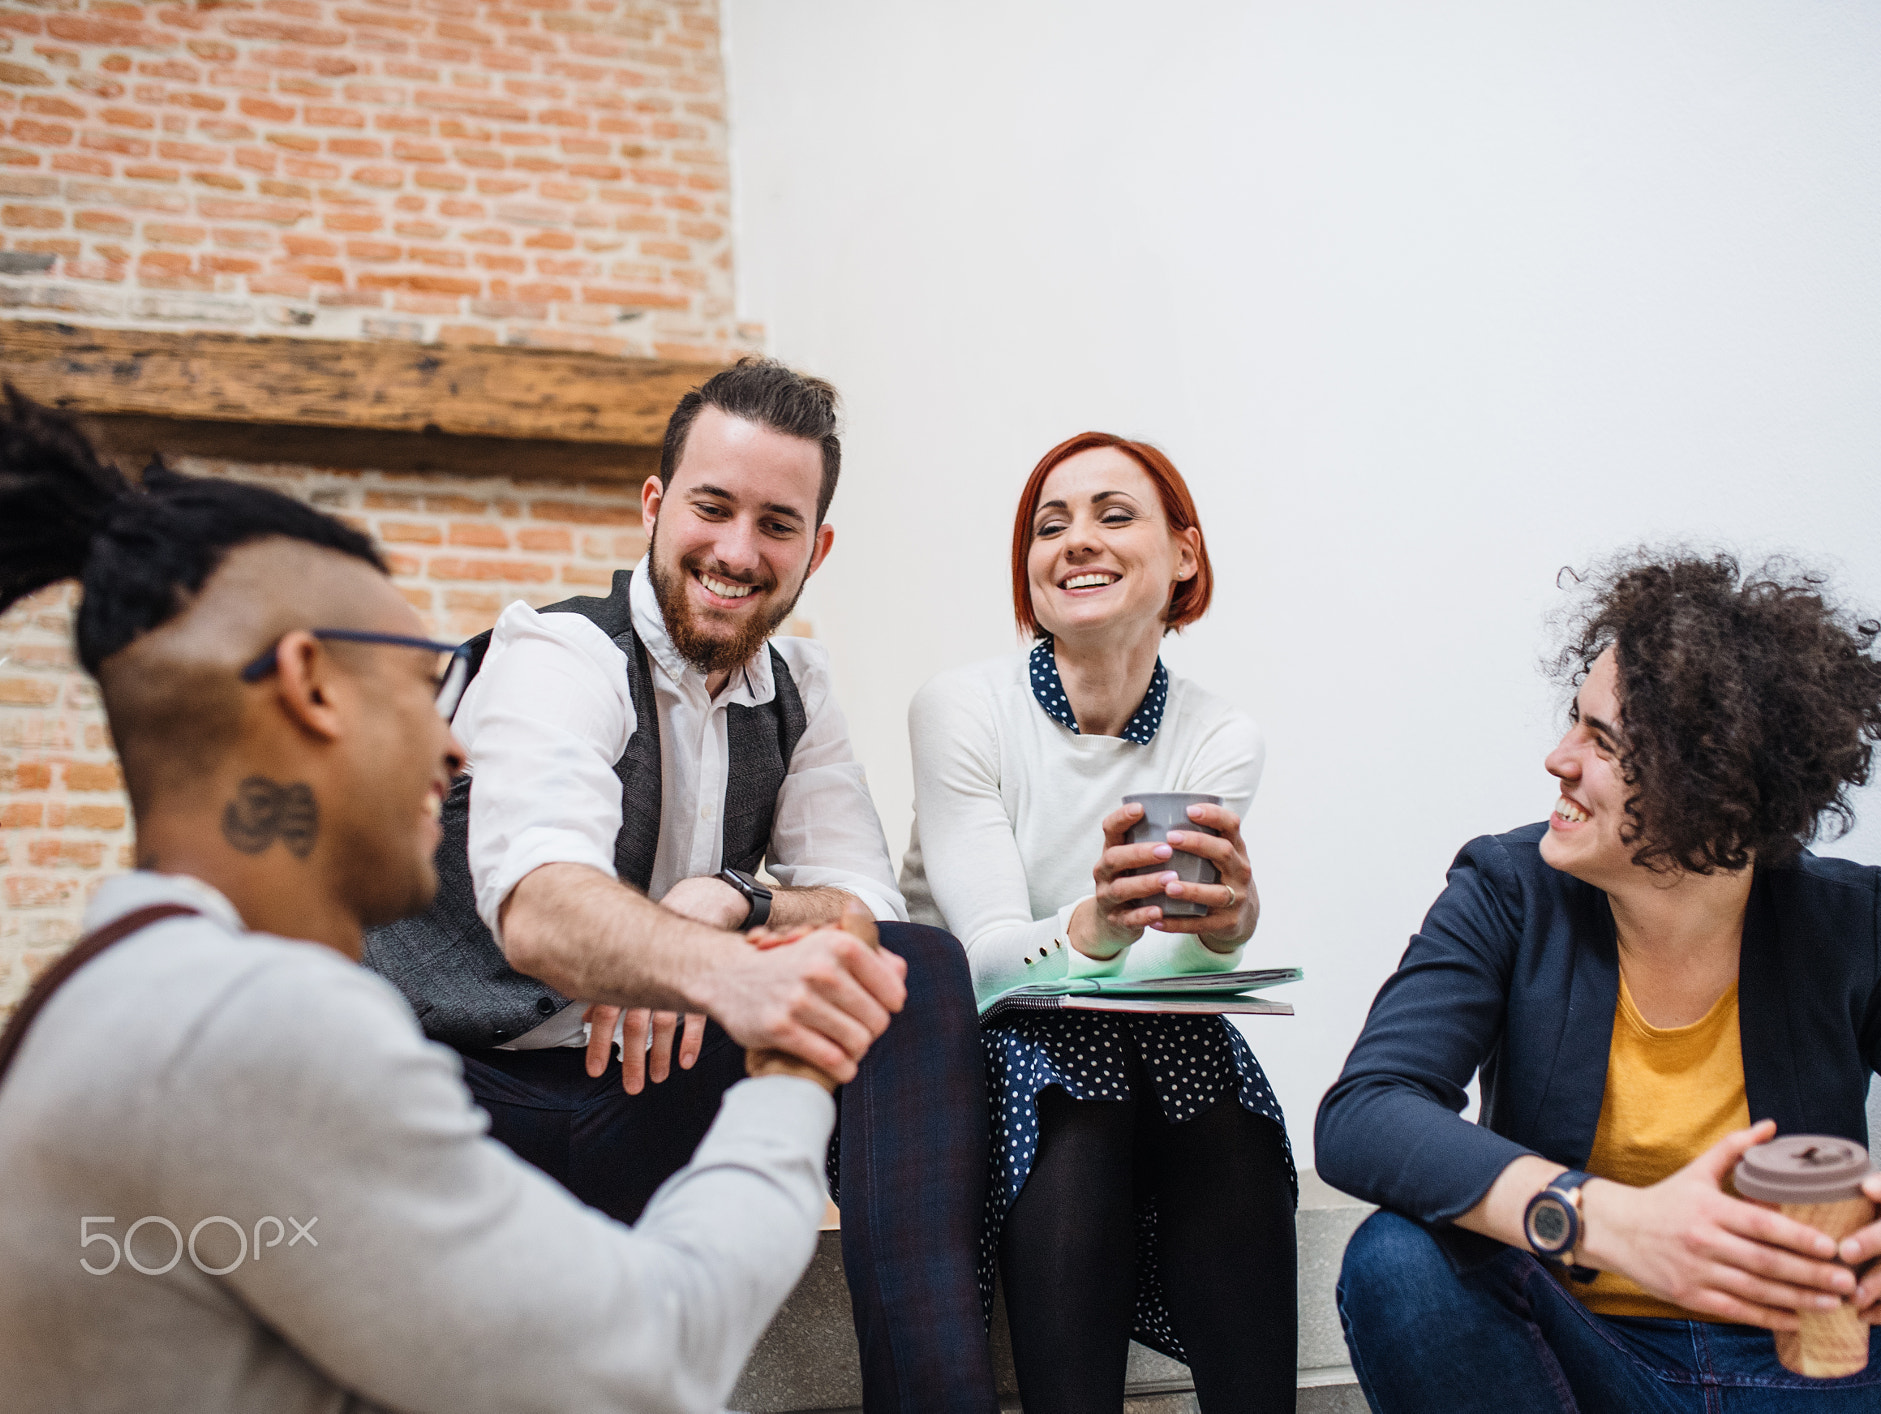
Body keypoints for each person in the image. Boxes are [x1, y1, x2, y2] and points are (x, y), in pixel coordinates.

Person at [0, 391, 904, 1411]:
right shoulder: (252, 1026)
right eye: (425, 681)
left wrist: (739, 906)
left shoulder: (118, 991)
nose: (457, 745)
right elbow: (641, 1360)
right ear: (311, 688)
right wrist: (789, 1068)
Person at [361, 358, 997, 1412]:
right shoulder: (558, 655)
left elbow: (863, 913)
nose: (738, 551)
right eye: (712, 507)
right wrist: (709, 966)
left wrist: (732, 902)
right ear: (654, 506)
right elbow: (538, 903)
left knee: (918, 968)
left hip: (645, 1098)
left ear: (815, 548)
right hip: (466, 1101)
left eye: (777, 524)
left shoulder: (799, 689)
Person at [1317, 550, 1881, 1413]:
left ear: (1720, 794)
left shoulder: (1866, 928)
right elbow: (1367, 1111)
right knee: (1397, 1260)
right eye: (1572, 721)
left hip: (1816, 1378)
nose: (1557, 758)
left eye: (1602, 740)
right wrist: (1613, 1223)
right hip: (1592, 1362)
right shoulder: (1508, 890)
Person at [899, 431, 1298, 1413]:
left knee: (1229, 1111)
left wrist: (1227, 924)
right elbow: (991, 960)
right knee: (1076, 1096)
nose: (1074, 540)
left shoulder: (1217, 733)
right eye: (1048, 524)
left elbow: (1174, 967)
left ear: (1184, 556)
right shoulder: (962, 709)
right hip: (974, 1034)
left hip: (1146, 1045)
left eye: (1111, 515)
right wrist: (1095, 922)